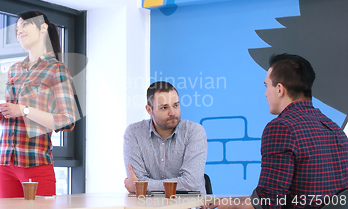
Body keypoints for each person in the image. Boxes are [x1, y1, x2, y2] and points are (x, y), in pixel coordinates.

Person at [209, 53, 348, 209]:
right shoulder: (334, 128)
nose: (266, 93)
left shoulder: (281, 128)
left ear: (280, 89)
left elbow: (269, 202)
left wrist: (232, 206)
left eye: (266, 86)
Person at [0, 10, 76, 198]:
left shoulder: (56, 69)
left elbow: (67, 121)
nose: (19, 31)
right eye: (17, 27)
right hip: (5, 162)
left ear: (43, 28)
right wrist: (1, 116)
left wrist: (24, 110)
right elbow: (16, 118)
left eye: (25, 25)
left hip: (35, 163)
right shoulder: (14, 70)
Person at [123, 81, 207, 194]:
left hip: (189, 205)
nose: (172, 112)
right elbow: (136, 180)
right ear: (149, 110)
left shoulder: (194, 131)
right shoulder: (134, 133)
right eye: (164, 108)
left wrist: (142, 186)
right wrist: (138, 185)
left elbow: (191, 183)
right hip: (149, 207)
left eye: (176, 105)